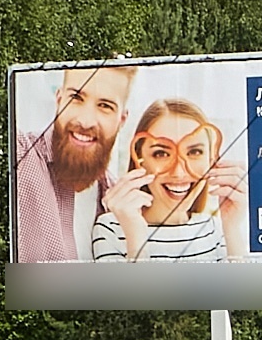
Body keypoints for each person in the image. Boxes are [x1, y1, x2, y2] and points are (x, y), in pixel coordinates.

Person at [92, 99, 248, 263]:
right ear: (139, 159)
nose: (179, 173)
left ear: (211, 159)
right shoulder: (111, 229)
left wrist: (232, 228)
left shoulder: (216, 229)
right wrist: (136, 239)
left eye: (195, 152)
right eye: (161, 154)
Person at [14, 65, 137, 262]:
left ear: (121, 120)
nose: (86, 122)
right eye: (76, 98)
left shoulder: (118, 206)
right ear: (59, 100)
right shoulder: (19, 156)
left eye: (105, 106)